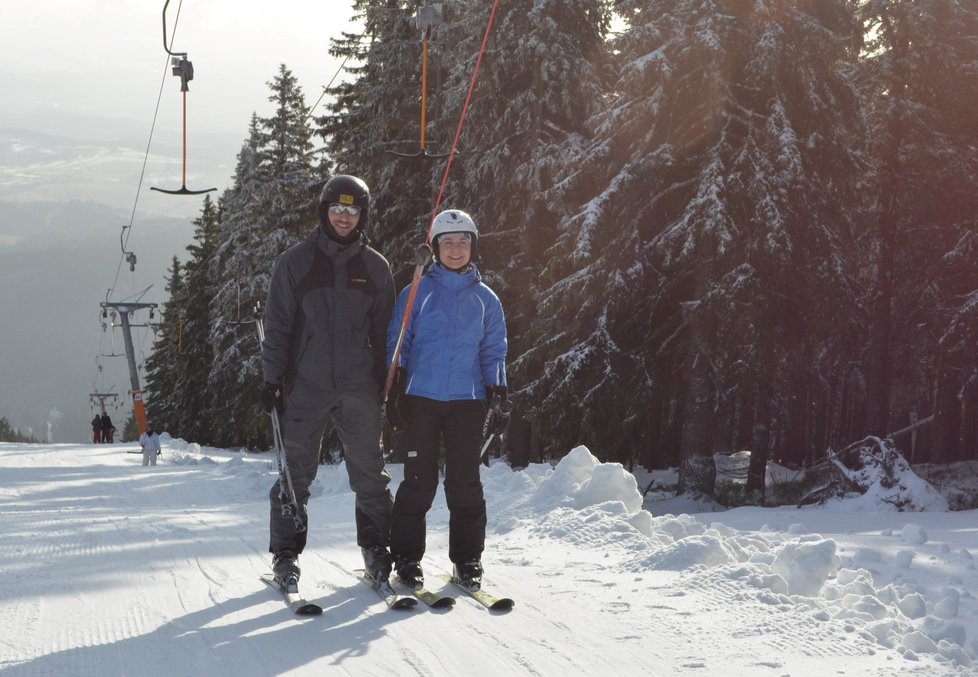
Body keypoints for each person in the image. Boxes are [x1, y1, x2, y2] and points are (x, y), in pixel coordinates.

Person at [260, 174, 396, 590]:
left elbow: (387, 333)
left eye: (352, 209)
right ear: (324, 211)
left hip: (359, 387)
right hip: (307, 384)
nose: (343, 216)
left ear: (363, 215)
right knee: (295, 474)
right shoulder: (295, 264)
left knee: (370, 473)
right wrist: (271, 379)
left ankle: (377, 549)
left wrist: (389, 383)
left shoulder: (375, 268)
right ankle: (286, 555)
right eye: (336, 208)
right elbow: (279, 326)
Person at [385, 208, 509, 590]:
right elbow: (398, 343)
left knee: (465, 483)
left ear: (473, 247)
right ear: (435, 248)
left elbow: (494, 351)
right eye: (448, 242)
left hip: (467, 403)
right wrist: (394, 390)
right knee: (418, 483)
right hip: (420, 399)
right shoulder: (417, 291)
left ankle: (468, 560)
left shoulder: (486, 300)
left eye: (463, 241)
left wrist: (498, 394)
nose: (456, 249)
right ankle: (406, 559)